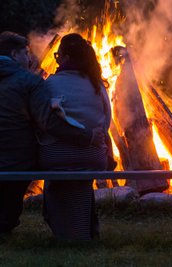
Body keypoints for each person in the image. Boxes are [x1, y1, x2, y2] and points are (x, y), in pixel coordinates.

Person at [0, 31, 102, 234]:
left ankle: (7, 216)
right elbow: (48, 123)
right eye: (26, 53)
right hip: (19, 160)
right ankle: (12, 218)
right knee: (53, 158)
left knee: (9, 190)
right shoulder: (30, 82)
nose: (29, 58)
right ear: (15, 54)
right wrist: (87, 137)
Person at [39, 33, 112, 240]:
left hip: (54, 157)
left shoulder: (49, 84)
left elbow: (42, 121)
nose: (56, 60)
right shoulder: (98, 85)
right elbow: (106, 123)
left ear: (67, 57)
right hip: (93, 157)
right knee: (82, 177)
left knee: (56, 177)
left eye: (57, 55)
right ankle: (83, 229)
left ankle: (64, 228)